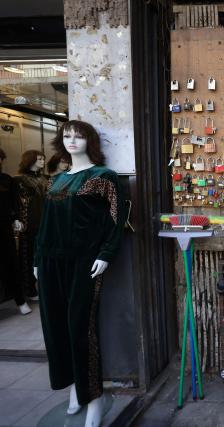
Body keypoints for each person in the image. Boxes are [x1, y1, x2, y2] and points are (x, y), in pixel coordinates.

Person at [34, 120, 125, 427]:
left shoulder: (103, 178)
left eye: (79, 136)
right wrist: (37, 258)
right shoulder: (56, 180)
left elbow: (118, 218)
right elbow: (44, 223)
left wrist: (106, 254)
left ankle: (94, 399)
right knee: (56, 328)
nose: (72, 140)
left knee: (79, 329)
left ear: (90, 140)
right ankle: (74, 389)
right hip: (49, 261)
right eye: (67, 135)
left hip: (83, 263)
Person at [0, 148, 31, 314]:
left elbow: (14, 202)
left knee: (12, 262)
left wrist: (17, 218)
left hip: (4, 226)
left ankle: (20, 300)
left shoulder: (7, 180)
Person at [15, 150, 48, 299]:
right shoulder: (19, 180)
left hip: (45, 221)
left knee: (43, 256)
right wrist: (16, 219)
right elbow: (16, 203)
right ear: (31, 160)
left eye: (43, 159)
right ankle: (29, 290)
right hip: (28, 222)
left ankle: (43, 287)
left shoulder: (45, 179)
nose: (43, 161)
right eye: (39, 159)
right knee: (28, 256)